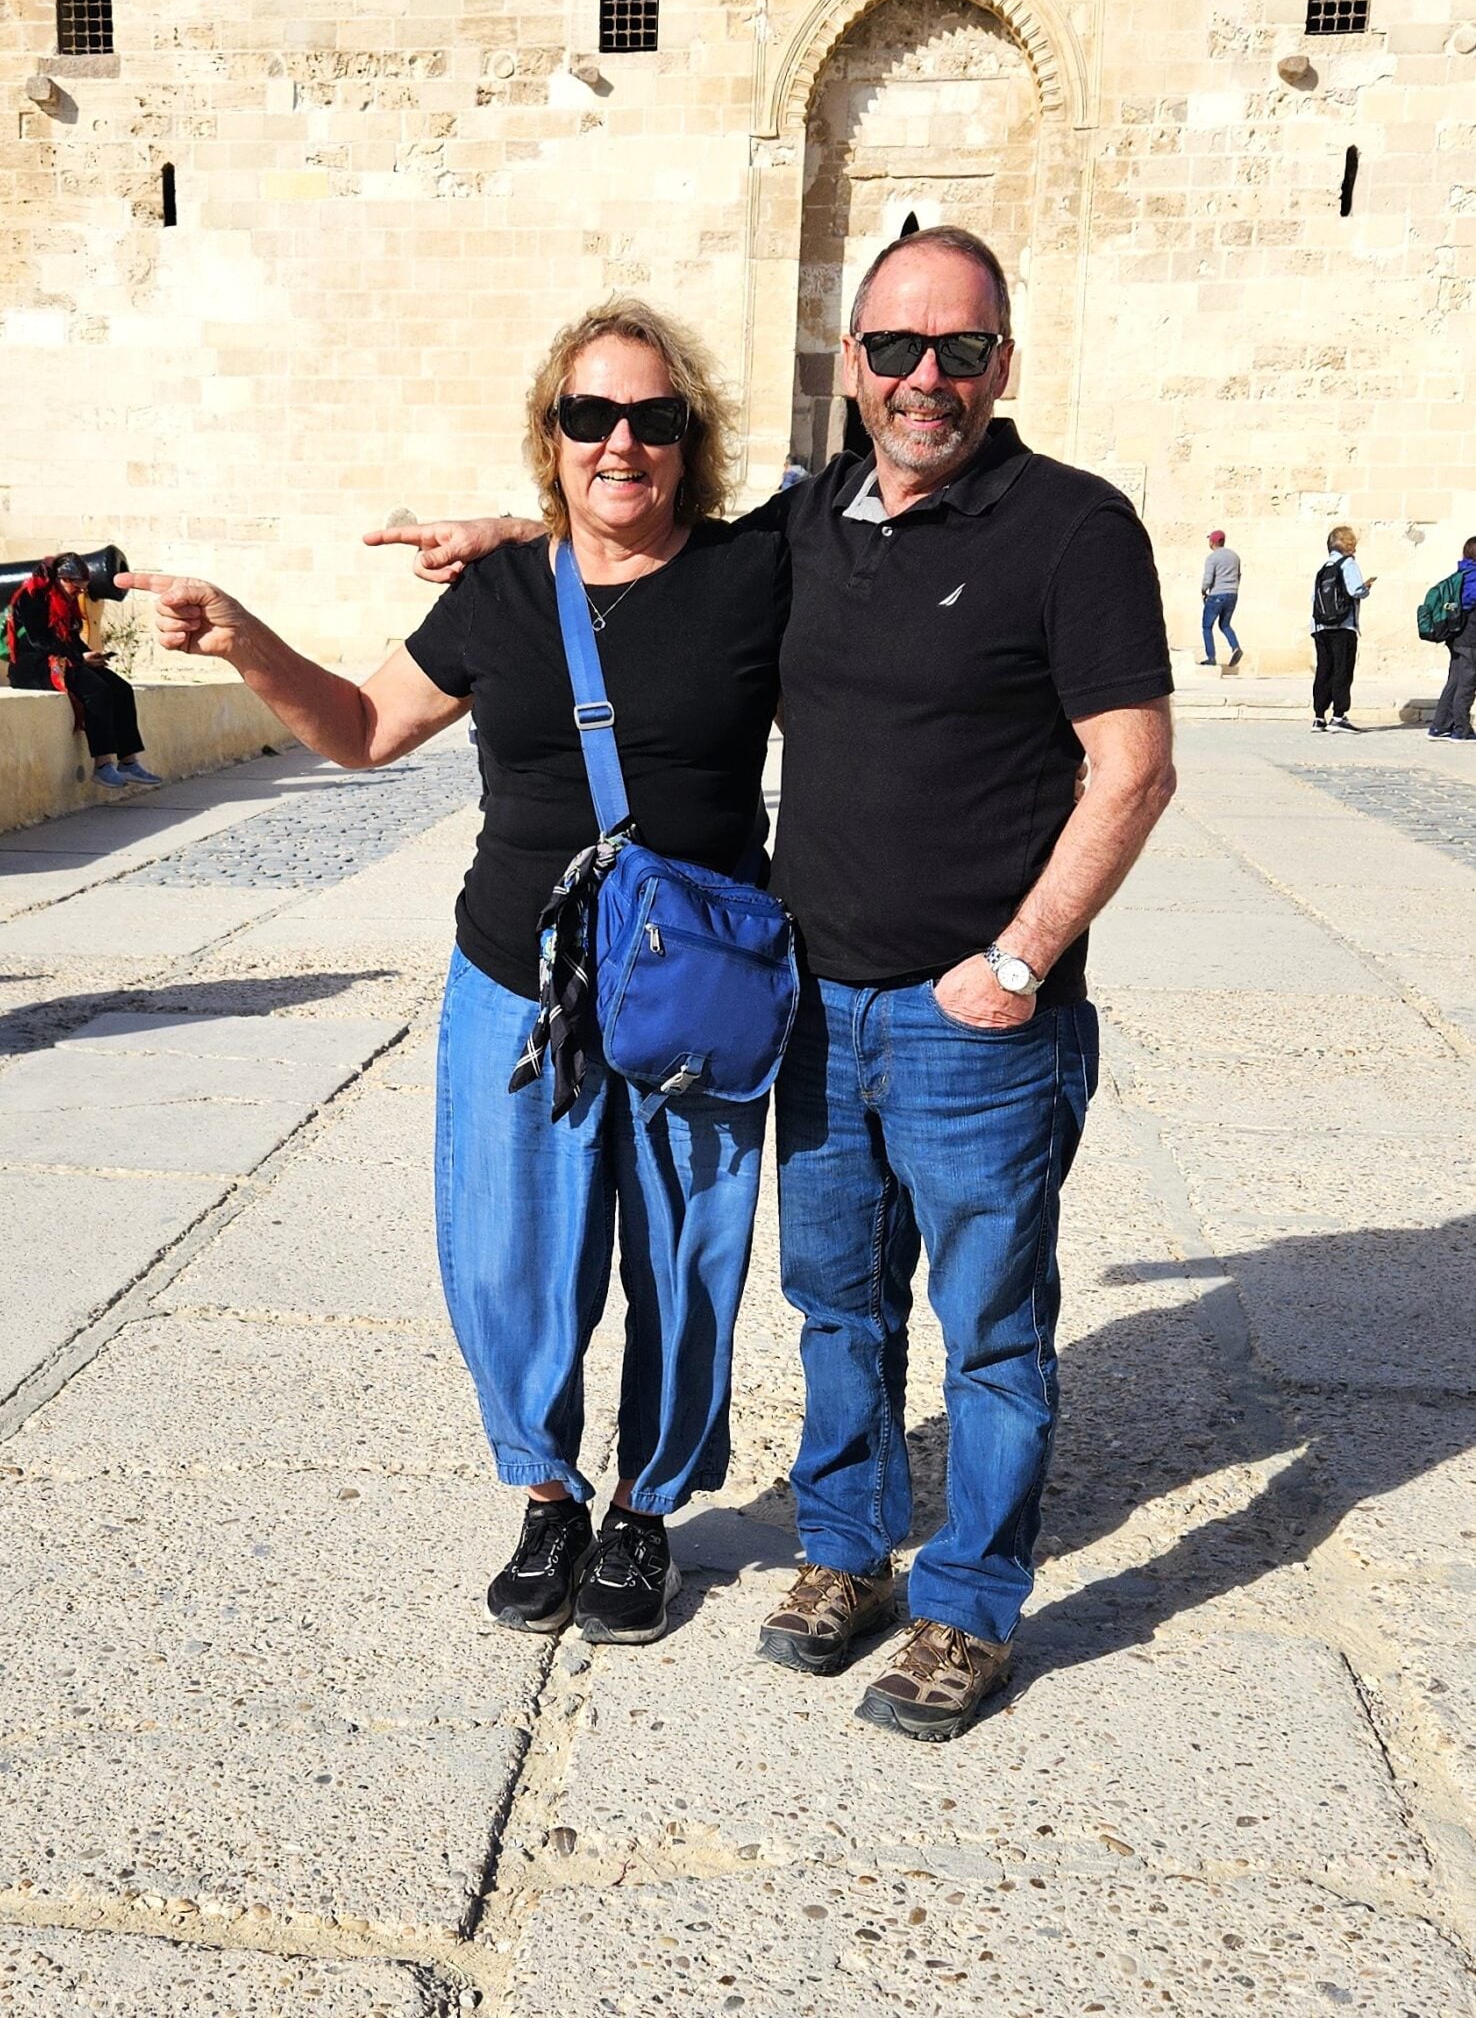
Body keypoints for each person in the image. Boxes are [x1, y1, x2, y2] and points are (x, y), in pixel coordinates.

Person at [375, 226, 1177, 1739]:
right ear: (853, 369)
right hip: (810, 1001)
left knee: (991, 1329)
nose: (923, 380)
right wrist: (515, 531)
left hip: (973, 1016)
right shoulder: (814, 526)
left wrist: (1017, 964)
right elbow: (633, 548)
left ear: (1004, 361)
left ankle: (967, 1607)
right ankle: (846, 1555)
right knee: (835, 1309)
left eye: (957, 350)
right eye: (893, 350)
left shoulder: (1074, 526)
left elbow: (1133, 770)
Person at [123, 302, 788, 1648]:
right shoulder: (498, 594)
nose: (622, 443)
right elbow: (365, 730)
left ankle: (648, 1516)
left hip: (696, 984)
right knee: (505, 1261)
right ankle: (547, 1495)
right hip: (520, 978)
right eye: (589, 416)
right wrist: (248, 639)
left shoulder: (755, 577)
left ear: (690, 441)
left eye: (653, 420)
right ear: (550, 437)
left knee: (684, 1261)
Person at [5, 552, 159, 789]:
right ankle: (103, 764)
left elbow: (71, 638)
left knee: (121, 689)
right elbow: (39, 641)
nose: (79, 594)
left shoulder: (65, 603)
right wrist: (79, 658)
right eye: (77, 588)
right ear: (62, 580)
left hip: (65, 659)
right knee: (97, 691)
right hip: (34, 665)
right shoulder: (32, 597)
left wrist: (91, 656)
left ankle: (128, 761)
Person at [1310, 525, 1373, 732]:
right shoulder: (1348, 564)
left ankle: (1319, 717)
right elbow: (1355, 590)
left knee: (1324, 670)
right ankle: (1339, 715)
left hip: (1320, 626)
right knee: (1342, 669)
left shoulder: (1323, 568)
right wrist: (1367, 588)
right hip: (1343, 625)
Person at [1427, 535, 1476, 742]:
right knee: (1468, 681)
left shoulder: (1462, 572)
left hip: (1457, 635)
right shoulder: (1474, 577)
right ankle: (1461, 728)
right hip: (1470, 637)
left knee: (1455, 681)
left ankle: (1440, 725)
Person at [1199, 529, 1242, 670]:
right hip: (1232, 594)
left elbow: (1208, 578)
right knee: (1225, 625)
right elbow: (1238, 575)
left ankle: (1211, 657)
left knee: (1207, 626)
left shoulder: (1212, 558)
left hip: (1217, 594)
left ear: (1212, 542)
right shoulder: (1235, 556)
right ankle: (1235, 647)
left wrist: (1204, 590)